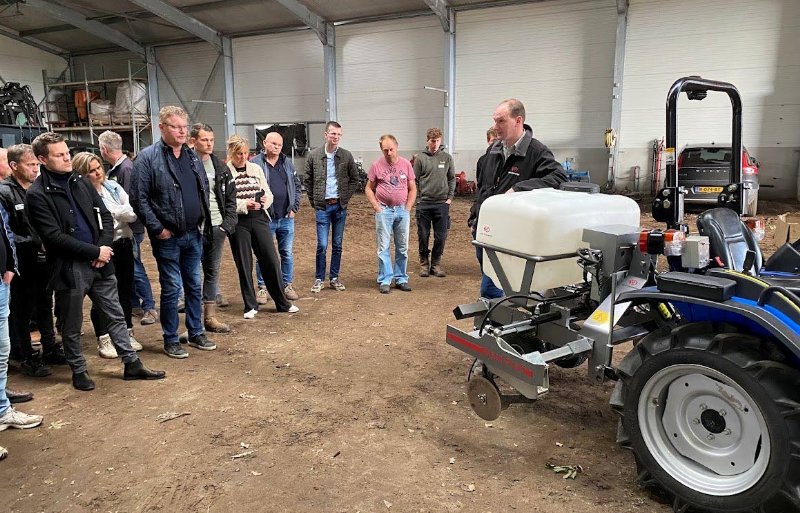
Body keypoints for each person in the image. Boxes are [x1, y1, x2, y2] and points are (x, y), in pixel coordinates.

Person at [26, 132, 165, 390]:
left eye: (67, 153)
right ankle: (79, 370)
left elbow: (104, 215)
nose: (67, 158)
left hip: (101, 261)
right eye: (59, 155)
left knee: (115, 313)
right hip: (70, 267)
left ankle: (131, 363)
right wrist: (95, 252)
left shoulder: (80, 181)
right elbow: (53, 237)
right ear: (43, 159)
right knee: (72, 322)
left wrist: (104, 246)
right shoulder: (37, 194)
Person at [131, 106, 215, 358]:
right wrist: (158, 229)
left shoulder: (191, 156)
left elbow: (203, 188)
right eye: (175, 126)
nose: (181, 131)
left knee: (193, 284)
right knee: (171, 287)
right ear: (161, 128)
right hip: (168, 237)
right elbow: (138, 198)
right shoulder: (147, 158)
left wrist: (202, 222)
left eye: (184, 127)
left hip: (193, 233)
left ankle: (195, 331)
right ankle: (170, 338)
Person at [468, 99, 568, 299]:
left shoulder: (536, 152)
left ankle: (497, 325)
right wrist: (475, 216)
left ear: (518, 120)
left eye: (501, 121)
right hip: (484, 231)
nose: (495, 127)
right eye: (494, 121)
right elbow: (484, 186)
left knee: (493, 288)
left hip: (509, 236)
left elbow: (558, 178)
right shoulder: (494, 149)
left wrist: (518, 188)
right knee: (494, 284)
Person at [0, 144, 66, 377]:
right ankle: (26, 355)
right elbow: (7, 231)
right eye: (30, 165)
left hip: (44, 261)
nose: (35, 169)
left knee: (45, 305)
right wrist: (35, 242)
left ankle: (50, 348)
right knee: (22, 309)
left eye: (37, 164)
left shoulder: (40, 189)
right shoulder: (5, 192)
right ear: (14, 166)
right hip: (22, 262)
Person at [72, 152, 143, 357]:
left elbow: (132, 213)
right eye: (91, 171)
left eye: (98, 168)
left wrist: (112, 210)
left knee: (125, 290)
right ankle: (103, 338)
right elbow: (98, 222)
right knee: (102, 295)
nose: (97, 174)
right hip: (101, 249)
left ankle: (126, 331)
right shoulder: (80, 196)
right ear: (83, 175)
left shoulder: (113, 187)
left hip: (124, 244)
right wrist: (117, 211)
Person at [226, 135, 298, 319]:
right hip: (239, 222)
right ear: (231, 153)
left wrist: (266, 201)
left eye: (245, 153)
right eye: (238, 154)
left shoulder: (255, 169)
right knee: (244, 263)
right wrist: (244, 205)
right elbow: (226, 201)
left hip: (259, 218)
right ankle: (250, 305)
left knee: (271, 259)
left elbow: (268, 192)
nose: (242, 157)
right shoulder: (225, 172)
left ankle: (282, 303)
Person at [99, 130, 158, 326]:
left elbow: (131, 201)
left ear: (104, 149)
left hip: (132, 228)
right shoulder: (117, 169)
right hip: (126, 227)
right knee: (128, 269)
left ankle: (149, 306)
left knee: (136, 267)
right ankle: (134, 304)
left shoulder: (126, 169)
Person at [0, 195, 42, 450]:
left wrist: (9, 264)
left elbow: (5, 230)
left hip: (1, 281)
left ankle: (3, 410)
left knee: (2, 350)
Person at [189, 123, 237, 334]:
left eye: (211, 139)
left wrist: (226, 225)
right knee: (191, 273)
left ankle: (210, 317)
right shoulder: (185, 164)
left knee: (212, 271)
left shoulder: (220, 166)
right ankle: (193, 321)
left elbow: (231, 198)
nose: (209, 143)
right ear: (193, 141)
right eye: (204, 140)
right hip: (192, 229)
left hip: (217, 227)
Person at [303, 121, 359, 293]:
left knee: (337, 243)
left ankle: (334, 278)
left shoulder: (346, 156)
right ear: (325, 134)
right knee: (322, 244)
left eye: (338, 134)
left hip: (339, 207)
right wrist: (315, 202)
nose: (335, 137)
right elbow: (308, 180)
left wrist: (345, 199)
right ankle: (319, 278)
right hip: (322, 207)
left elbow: (354, 179)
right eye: (333, 134)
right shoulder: (314, 155)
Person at [251, 132, 301, 302]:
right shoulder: (255, 163)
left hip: (287, 217)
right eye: (273, 143)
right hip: (265, 218)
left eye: (279, 144)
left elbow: (297, 185)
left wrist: (294, 208)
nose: (276, 147)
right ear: (264, 143)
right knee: (263, 253)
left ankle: (286, 285)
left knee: (286, 253)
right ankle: (262, 288)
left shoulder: (287, 163)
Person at [365, 135, 417, 294]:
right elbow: (368, 188)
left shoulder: (406, 165)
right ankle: (385, 279)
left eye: (391, 149)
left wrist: (408, 207)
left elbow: (413, 188)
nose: (388, 153)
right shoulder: (376, 166)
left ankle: (401, 278)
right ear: (381, 150)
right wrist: (376, 206)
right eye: (385, 150)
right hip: (384, 210)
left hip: (402, 210)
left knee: (402, 247)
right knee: (383, 246)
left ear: (397, 147)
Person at [413, 127, 455, 278]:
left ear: (440, 140)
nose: (435, 144)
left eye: (437, 141)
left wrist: (449, 198)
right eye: (432, 141)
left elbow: (452, 179)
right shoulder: (420, 159)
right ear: (427, 141)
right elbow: (414, 180)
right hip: (424, 204)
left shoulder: (447, 158)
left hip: (441, 204)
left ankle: (436, 263)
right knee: (423, 235)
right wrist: (418, 199)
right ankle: (424, 263)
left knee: (441, 236)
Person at [474, 128, 503, 299]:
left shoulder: (508, 162)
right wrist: (474, 217)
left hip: (499, 223)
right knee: (482, 257)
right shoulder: (483, 161)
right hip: (482, 219)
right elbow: (481, 189)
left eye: (499, 139)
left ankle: (498, 302)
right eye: (493, 140)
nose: (496, 143)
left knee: (490, 284)